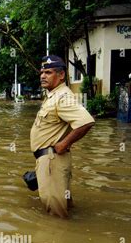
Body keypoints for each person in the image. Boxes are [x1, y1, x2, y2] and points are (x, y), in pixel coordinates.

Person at [30, 55, 95, 218]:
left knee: (55, 215)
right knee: (63, 207)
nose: (43, 76)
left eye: (48, 72)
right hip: (49, 160)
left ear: (61, 75)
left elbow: (86, 122)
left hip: (53, 160)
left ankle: (58, 241)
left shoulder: (63, 97)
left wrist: (63, 144)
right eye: (42, 72)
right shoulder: (53, 96)